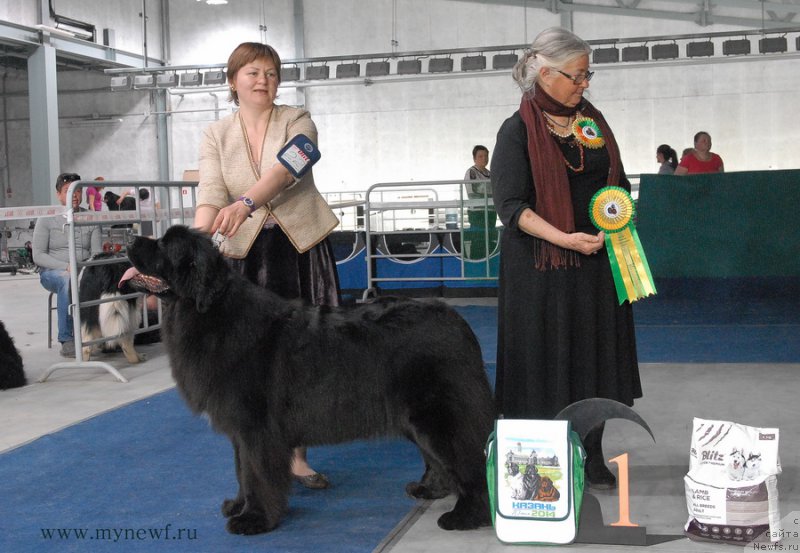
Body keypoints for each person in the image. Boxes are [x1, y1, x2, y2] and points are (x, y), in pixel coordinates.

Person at [491, 27, 642, 490]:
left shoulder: (592, 123)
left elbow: (612, 183)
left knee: (595, 359)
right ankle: (541, 461)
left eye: (586, 74)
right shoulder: (516, 130)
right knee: (545, 362)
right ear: (543, 70)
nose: (584, 85)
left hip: (596, 261)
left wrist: (611, 225)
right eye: (576, 76)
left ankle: (593, 454)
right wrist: (563, 238)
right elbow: (511, 207)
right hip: (542, 268)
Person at [193, 42, 340, 490]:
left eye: (272, 72)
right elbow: (209, 192)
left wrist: (245, 202)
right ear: (233, 79)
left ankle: (297, 456)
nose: (264, 80)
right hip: (244, 258)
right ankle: (258, 454)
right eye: (253, 72)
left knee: (304, 356)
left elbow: (292, 164)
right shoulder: (216, 133)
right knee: (250, 364)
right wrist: (198, 245)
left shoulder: (298, 120)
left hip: (301, 250)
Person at [32, 173, 102, 357]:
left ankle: (104, 334)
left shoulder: (91, 218)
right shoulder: (46, 219)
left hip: (85, 270)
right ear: (58, 194)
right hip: (53, 272)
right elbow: (38, 255)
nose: (75, 195)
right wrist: (66, 266)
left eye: (78, 190)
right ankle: (67, 339)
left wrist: (84, 268)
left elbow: (96, 253)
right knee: (67, 280)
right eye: (68, 191)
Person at [463, 145, 497, 259]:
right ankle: (477, 264)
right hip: (478, 213)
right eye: (480, 156)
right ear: (474, 158)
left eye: (486, 156)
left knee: (489, 239)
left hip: (491, 212)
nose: (484, 159)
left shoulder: (491, 174)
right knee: (478, 240)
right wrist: (490, 195)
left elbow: (497, 191)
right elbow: (472, 193)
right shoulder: (471, 172)